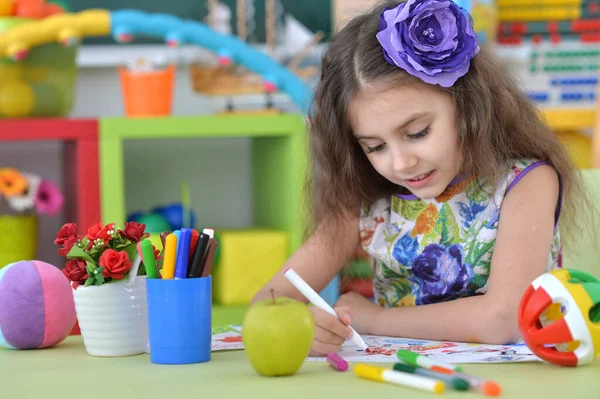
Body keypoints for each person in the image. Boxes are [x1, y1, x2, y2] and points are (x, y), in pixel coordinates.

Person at [251, 0, 588, 357]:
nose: (401, 162)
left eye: (417, 132)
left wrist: (375, 320)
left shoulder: (525, 184)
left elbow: (501, 319)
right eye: (375, 146)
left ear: (469, 105)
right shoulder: (367, 198)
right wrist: (303, 324)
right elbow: (268, 302)